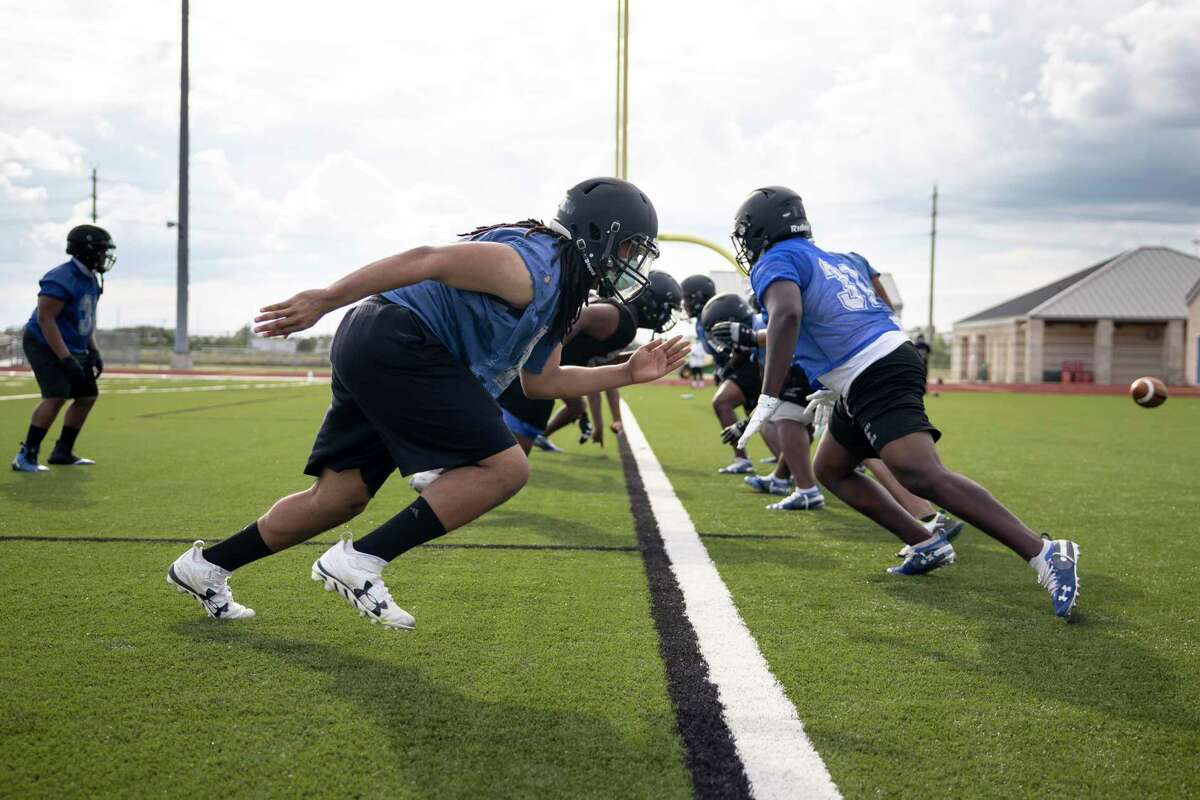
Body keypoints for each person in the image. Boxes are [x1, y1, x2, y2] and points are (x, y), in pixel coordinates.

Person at [166, 177, 688, 629]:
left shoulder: (562, 287)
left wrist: (627, 371)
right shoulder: (531, 263)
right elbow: (427, 261)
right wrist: (324, 298)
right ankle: (362, 561)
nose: (631, 264)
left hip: (382, 342)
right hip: (397, 338)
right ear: (602, 233)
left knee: (339, 497)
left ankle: (208, 566)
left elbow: (540, 383)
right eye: (630, 249)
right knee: (507, 468)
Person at [730, 185, 1080, 619]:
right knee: (831, 469)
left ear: (762, 229)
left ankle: (1045, 551)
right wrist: (836, 378)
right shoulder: (838, 258)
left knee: (920, 473)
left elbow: (788, 314)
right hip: (878, 362)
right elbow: (855, 313)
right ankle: (925, 542)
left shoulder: (776, 259)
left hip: (873, 369)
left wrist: (768, 394)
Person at [11, 225, 114, 473]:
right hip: (44, 342)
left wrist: (94, 350)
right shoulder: (61, 278)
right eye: (101, 251)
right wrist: (66, 359)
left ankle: (62, 451)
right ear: (86, 251)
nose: (104, 257)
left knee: (86, 396)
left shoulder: (90, 278)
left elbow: (84, 321)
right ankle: (26, 455)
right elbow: (47, 320)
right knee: (56, 394)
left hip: (71, 344)